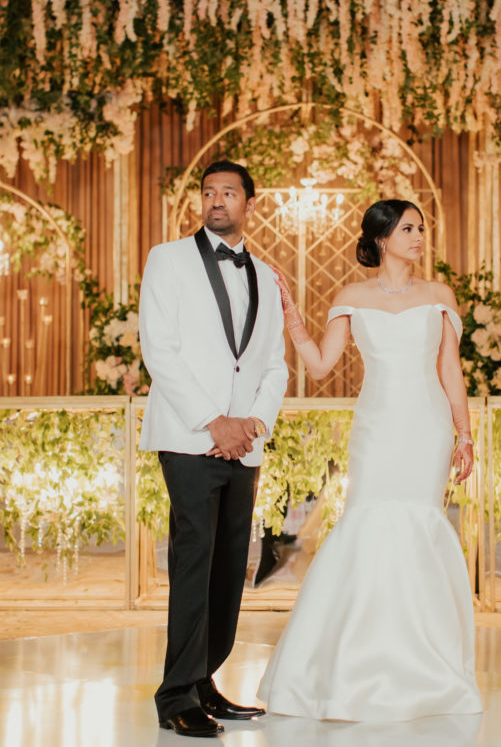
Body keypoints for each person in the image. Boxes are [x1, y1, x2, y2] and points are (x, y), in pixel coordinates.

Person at [258, 199, 482, 721]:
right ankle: (353, 663)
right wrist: (291, 316)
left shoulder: (439, 296)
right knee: (368, 524)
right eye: (408, 229)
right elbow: (318, 368)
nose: (420, 237)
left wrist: (464, 435)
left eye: (421, 228)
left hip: (427, 427)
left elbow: (450, 369)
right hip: (377, 426)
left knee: (420, 526)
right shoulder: (352, 297)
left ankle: (425, 661)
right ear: (382, 238)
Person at [139, 160, 288, 737]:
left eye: (229, 192)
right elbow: (161, 349)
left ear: (251, 203)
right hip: (188, 435)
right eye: (209, 192)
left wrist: (253, 423)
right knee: (194, 561)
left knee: (230, 566)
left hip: (243, 443)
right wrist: (213, 421)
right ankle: (175, 695)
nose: (217, 201)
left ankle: (205, 683)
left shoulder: (267, 275)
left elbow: (274, 363)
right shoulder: (167, 259)